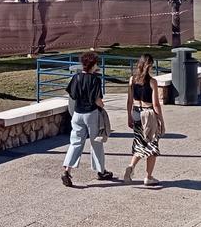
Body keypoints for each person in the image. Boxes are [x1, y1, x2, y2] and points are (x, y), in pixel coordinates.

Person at [61, 51, 113, 186]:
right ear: (93, 64)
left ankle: (67, 170)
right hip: (91, 114)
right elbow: (97, 100)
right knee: (96, 142)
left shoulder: (76, 77)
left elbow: (72, 95)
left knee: (75, 142)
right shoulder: (95, 79)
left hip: (77, 114)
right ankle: (101, 171)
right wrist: (102, 105)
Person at [124, 54, 164, 186]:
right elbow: (156, 104)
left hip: (136, 113)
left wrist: (129, 116)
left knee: (139, 143)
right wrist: (161, 122)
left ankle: (131, 166)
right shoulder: (152, 82)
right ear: (150, 65)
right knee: (152, 145)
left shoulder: (132, 79)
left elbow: (129, 101)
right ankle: (148, 176)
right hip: (148, 114)